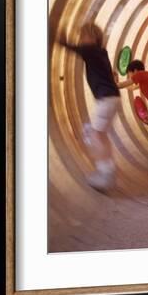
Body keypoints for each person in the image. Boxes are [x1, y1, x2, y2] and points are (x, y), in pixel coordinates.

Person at [59, 23, 120, 192]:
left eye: (83, 35)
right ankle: (109, 170)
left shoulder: (92, 50)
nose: (81, 39)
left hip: (106, 99)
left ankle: (105, 174)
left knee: (95, 134)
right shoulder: (101, 53)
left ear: (92, 37)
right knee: (101, 135)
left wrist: (61, 41)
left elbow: (77, 49)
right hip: (112, 98)